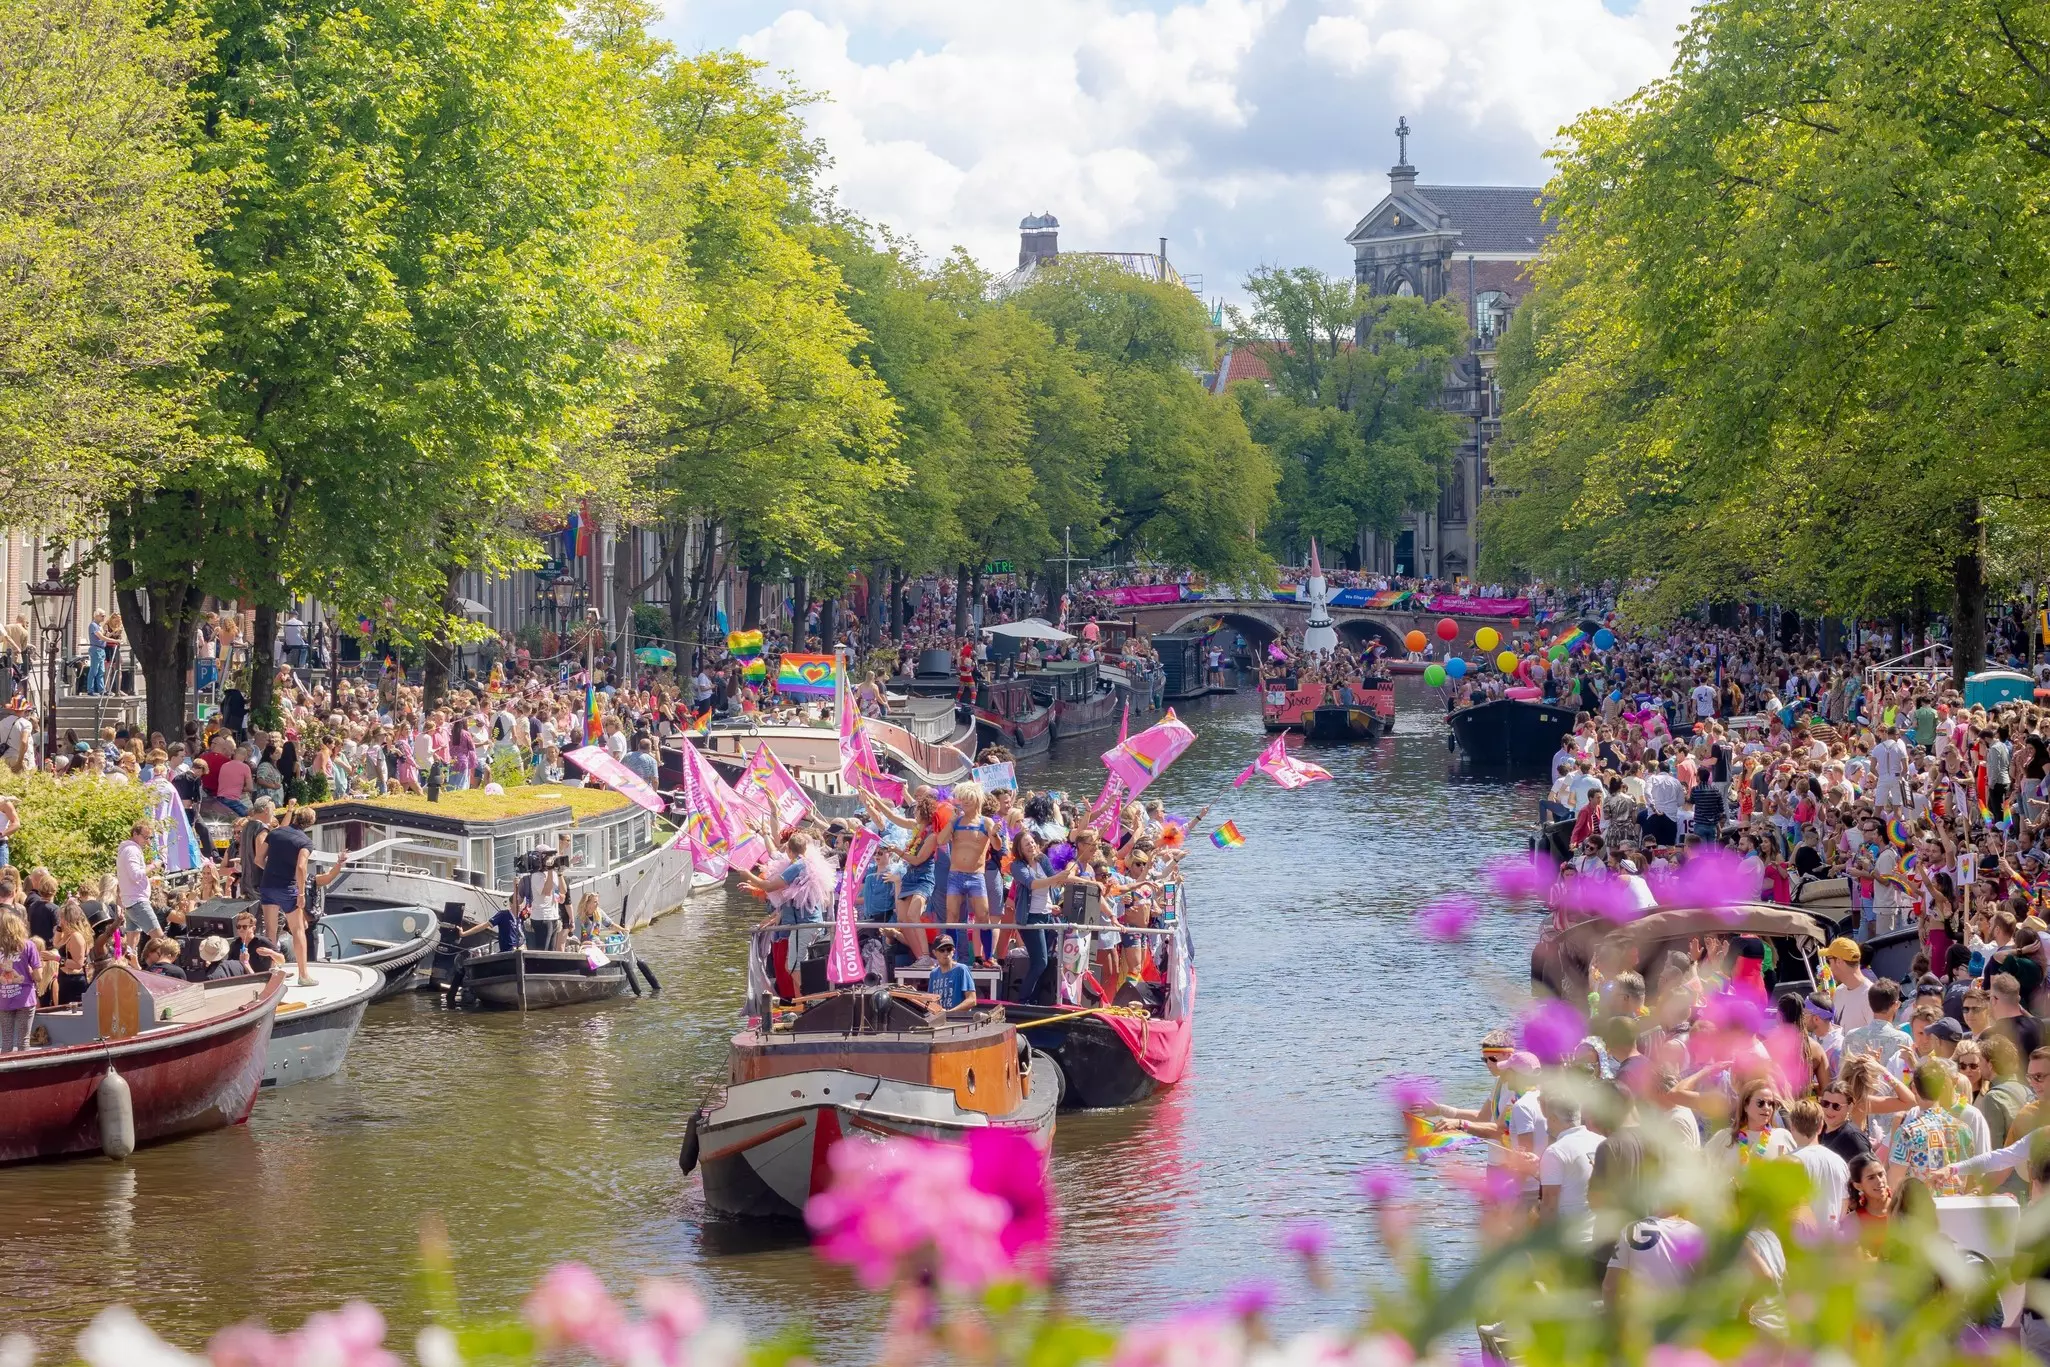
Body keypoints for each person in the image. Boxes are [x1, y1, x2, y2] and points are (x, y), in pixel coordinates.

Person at [254, 807, 316, 986]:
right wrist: (302, 892)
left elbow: (258, 859)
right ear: (310, 823)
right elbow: (302, 867)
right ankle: (303, 975)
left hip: (268, 885)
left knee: (270, 931)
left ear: (295, 817)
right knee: (298, 931)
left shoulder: (276, 833)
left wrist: (273, 871)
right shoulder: (305, 842)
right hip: (287, 888)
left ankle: (272, 970)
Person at [1537, 1095, 1604, 1248]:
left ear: (1553, 1118)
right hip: (1600, 1236)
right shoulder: (1601, 1141)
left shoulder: (1555, 1151)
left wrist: (1545, 1244)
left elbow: (1549, 1202)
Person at [1787, 1097, 1850, 1231]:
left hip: (1799, 1241)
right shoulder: (1839, 1161)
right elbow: (1845, 1203)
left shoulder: (1788, 1162)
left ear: (1792, 1126)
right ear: (1821, 1125)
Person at [0, 910, 38, 1051]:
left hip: (4, 997)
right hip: (25, 996)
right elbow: (38, 976)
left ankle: (6, 1071)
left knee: (6, 1041)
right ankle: (25, 1071)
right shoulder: (28, 945)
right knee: (24, 1042)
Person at [116, 819, 158, 937]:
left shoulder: (128, 850)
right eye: (145, 838)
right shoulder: (132, 850)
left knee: (132, 942)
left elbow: (131, 877)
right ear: (135, 834)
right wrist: (153, 865)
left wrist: (148, 881)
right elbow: (135, 875)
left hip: (131, 901)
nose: (148, 842)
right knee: (159, 938)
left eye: (150, 838)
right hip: (137, 901)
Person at [925, 934, 975, 1011]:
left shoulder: (962, 969)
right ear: (934, 952)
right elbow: (930, 1001)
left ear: (953, 951)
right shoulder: (933, 974)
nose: (946, 953)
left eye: (949, 949)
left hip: (958, 1020)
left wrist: (950, 1012)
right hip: (939, 1019)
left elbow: (972, 1000)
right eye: (942, 950)